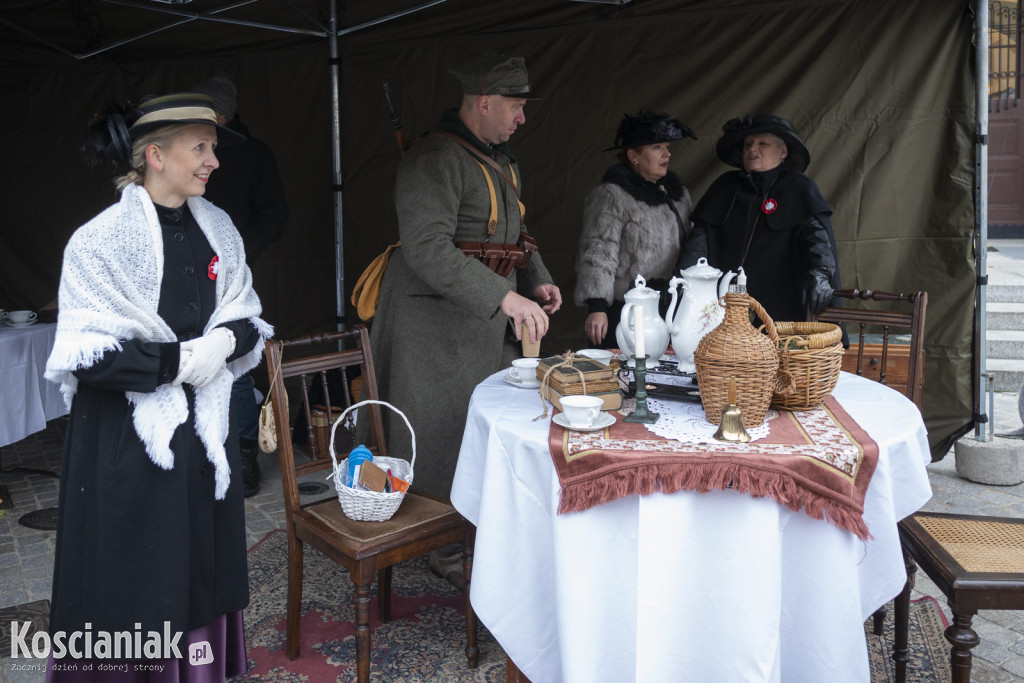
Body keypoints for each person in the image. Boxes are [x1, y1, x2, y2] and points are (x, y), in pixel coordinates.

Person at [44, 92, 273, 679]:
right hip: (128, 451)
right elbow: (86, 355)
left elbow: (247, 315)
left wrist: (222, 344)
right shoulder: (98, 242)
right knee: (136, 579)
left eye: (213, 148)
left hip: (203, 442)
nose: (212, 161)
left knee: (198, 571)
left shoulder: (219, 227)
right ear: (155, 155)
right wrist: (178, 361)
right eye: (200, 147)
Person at [367, 52, 561, 500]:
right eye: (516, 106)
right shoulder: (434, 158)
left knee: (487, 430)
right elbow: (425, 247)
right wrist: (505, 299)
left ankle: (474, 527)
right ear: (485, 102)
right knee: (439, 433)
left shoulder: (503, 162)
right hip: (434, 327)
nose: (523, 118)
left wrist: (537, 280)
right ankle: (439, 538)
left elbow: (517, 231)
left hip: (484, 320)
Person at [192, 73, 289, 497]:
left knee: (235, 360)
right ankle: (196, 448)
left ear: (224, 115)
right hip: (185, 272)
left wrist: (234, 254)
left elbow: (274, 215)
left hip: (236, 275)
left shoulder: (255, 155)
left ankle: (244, 452)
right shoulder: (184, 153)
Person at [677, 114, 841, 323]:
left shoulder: (798, 187)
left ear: (783, 151)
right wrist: (684, 281)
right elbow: (699, 241)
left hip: (779, 307)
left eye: (763, 143)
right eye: (747, 144)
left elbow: (817, 240)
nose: (753, 149)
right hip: (722, 306)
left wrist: (821, 273)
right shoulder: (724, 186)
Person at [575, 111, 696, 347]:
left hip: (669, 307)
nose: (667, 153)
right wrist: (597, 307)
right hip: (627, 309)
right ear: (633, 155)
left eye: (667, 146)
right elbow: (598, 252)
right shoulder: (612, 196)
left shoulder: (678, 197)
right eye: (656, 147)